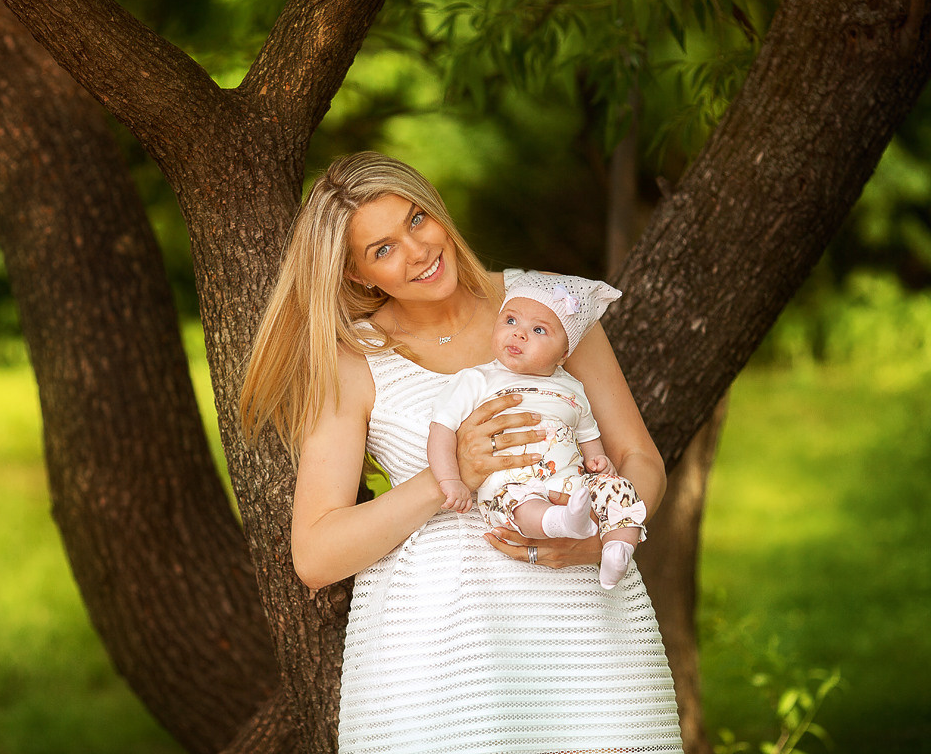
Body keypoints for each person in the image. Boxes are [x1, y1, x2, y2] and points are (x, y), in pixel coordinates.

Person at [240, 151, 682, 753]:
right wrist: (451, 474)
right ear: (357, 277)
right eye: (383, 249)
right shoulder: (355, 360)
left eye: (417, 219)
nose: (418, 251)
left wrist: (605, 537)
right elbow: (316, 554)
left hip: (589, 638)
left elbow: (640, 460)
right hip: (442, 662)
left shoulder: (544, 307)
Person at [427, 271, 648, 590]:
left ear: (564, 354)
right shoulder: (479, 380)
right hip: (512, 484)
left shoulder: (573, 389)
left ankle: (617, 549)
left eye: (539, 329)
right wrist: (450, 480)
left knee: (620, 489)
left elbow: (589, 437)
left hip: (571, 485)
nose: (518, 335)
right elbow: (442, 429)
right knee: (520, 503)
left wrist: (599, 464)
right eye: (511, 321)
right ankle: (561, 521)